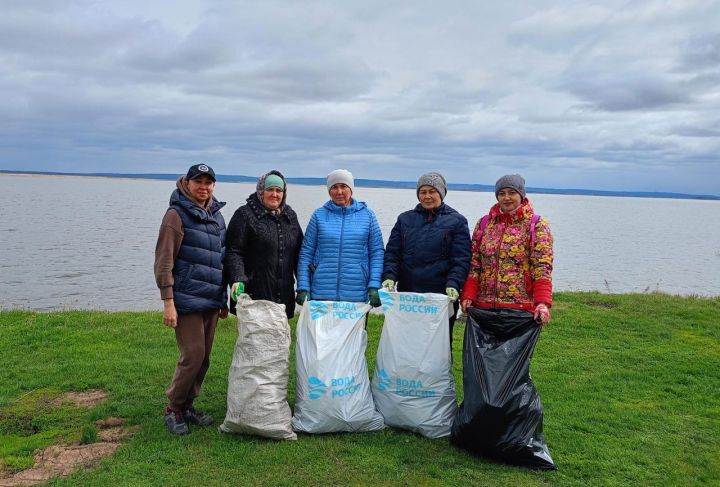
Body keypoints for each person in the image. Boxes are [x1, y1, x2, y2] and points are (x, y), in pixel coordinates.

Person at [154, 163, 228, 435]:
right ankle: (173, 407)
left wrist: (224, 299)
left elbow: (221, 259)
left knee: (205, 357)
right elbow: (164, 262)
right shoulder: (175, 215)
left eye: (209, 183)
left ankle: (188, 406)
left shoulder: (217, 216)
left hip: (211, 299)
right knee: (192, 355)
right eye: (198, 182)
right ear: (187, 183)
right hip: (185, 300)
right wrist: (168, 301)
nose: (203, 187)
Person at [381, 171, 471, 339]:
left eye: (432, 191)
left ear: (442, 193)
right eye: (423, 192)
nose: (427, 196)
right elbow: (393, 253)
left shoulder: (457, 221)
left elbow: (461, 259)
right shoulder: (404, 219)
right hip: (408, 294)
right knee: (407, 339)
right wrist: (389, 276)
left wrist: (454, 282)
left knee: (439, 342)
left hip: (440, 296)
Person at [460, 174, 553, 324]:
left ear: (521, 195)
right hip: (484, 306)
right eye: (501, 194)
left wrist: (542, 303)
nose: (506, 198)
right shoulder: (484, 223)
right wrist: (468, 295)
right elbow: (475, 264)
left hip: (520, 309)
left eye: (512, 193)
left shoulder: (536, 225)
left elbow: (542, 267)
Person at [296, 169, 384, 306]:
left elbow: (377, 252)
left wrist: (374, 285)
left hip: (357, 294)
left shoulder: (368, 216)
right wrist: (303, 287)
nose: (339, 192)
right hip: (321, 293)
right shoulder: (318, 216)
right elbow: (306, 253)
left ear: (351, 189)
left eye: (344, 186)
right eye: (334, 187)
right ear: (329, 190)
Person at [224, 170, 303, 318]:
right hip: (253, 296)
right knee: (254, 341)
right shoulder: (244, 215)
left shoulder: (290, 217)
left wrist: (304, 285)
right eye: (270, 189)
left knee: (280, 340)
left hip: (284, 296)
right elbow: (233, 251)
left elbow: (300, 253)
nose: (275, 194)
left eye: (279, 190)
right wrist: (237, 278)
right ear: (261, 191)